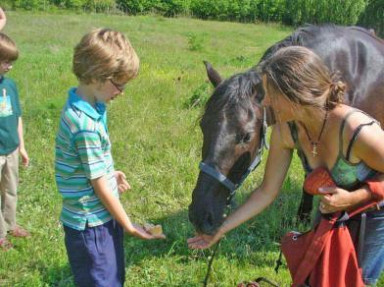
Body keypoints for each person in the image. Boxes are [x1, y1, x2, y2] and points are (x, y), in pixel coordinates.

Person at [188, 46, 384, 285]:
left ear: (295, 94)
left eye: (270, 93)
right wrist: (220, 229)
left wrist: (354, 198)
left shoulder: (356, 131)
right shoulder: (286, 130)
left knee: (355, 281)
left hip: (373, 219)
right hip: (331, 214)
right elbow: (266, 191)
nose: (266, 101)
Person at [55, 28, 165, 287]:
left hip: (98, 218)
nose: (122, 92)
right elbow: (98, 186)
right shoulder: (85, 125)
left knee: (113, 278)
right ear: (97, 76)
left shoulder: (88, 106)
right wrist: (128, 224)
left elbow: (87, 165)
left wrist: (110, 173)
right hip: (91, 225)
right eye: (120, 84)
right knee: (102, 281)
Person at [0, 32, 30, 251]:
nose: (9, 66)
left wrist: (22, 146)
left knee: (11, 190)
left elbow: (17, 116)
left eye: (11, 62)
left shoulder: (9, 86)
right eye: (5, 61)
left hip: (10, 149)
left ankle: (10, 225)